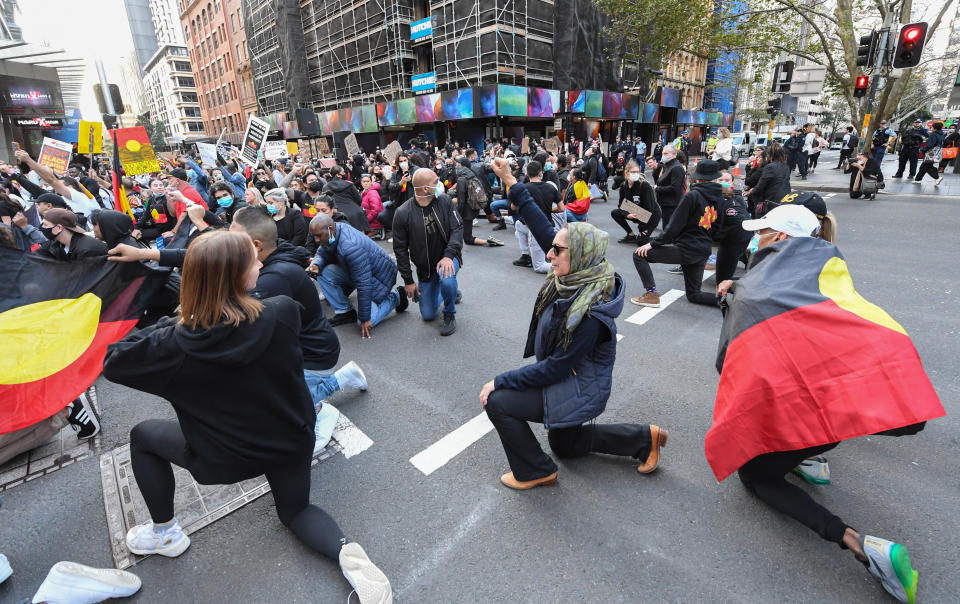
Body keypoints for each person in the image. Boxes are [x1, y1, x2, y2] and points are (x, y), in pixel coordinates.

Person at [102, 230, 391, 604]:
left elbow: (114, 360)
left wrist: (176, 322)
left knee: (143, 436)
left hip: (223, 457)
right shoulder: (282, 311)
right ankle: (345, 551)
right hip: (291, 440)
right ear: (237, 277)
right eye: (251, 260)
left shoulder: (170, 345)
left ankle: (165, 533)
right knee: (297, 511)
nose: (260, 263)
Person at [710, 203, 943, 604]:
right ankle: (809, 461)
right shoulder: (824, 275)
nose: (755, 239)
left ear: (779, 238)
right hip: (834, 416)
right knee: (798, 430)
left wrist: (731, 302)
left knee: (756, 478)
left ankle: (860, 544)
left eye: (762, 231)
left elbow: (732, 365)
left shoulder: (755, 292)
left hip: (797, 417)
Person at [480, 157, 668, 490]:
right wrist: (510, 179)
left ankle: (536, 470)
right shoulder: (578, 273)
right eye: (551, 249)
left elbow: (554, 369)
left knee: (498, 402)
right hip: (571, 377)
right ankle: (643, 438)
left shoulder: (591, 313)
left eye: (557, 251)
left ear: (578, 255)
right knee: (565, 445)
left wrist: (499, 380)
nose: (549, 255)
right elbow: (540, 224)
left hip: (578, 386)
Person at [631, 159, 722, 308]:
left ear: (697, 178)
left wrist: (652, 244)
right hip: (703, 250)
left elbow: (673, 228)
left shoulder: (693, 196)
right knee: (694, 294)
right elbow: (718, 228)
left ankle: (652, 295)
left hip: (686, 248)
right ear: (715, 178)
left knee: (638, 254)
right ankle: (729, 301)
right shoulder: (721, 198)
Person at [306, 213, 405, 335]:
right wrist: (316, 264)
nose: (316, 240)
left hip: (380, 278)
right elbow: (323, 251)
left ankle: (397, 296)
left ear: (330, 229)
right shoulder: (333, 231)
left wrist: (364, 317)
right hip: (358, 271)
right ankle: (345, 312)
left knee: (367, 321)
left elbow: (364, 283)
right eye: (314, 236)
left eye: (318, 236)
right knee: (323, 272)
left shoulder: (350, 246)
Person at [392, 168, 464, 336]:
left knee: (446, 278)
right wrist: (408, 281)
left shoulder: (444, 201)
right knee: (428, 315)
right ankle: (450, 293)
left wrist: (448, 256)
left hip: (447, 257)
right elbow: (400, 250)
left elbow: (457, 228)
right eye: (435, 182)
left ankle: (449, 313)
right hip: (425, 269)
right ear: (424, 188)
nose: (439, 184)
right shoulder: (402, 213)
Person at [513, 160, 561, 273]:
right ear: (540, 173)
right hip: (548, 225)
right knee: (519, 224)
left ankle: (567, 266)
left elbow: (513, 207)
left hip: (537, 229)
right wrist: (548, 209)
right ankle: (525, 255)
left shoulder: (524, 188)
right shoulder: (551, 187)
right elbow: (561, 208)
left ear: (527, 173)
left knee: (539, 267)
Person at [609, 159, 659, 245]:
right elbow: (621, 204)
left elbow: (649, 209)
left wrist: (642, 228)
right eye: (633, 172)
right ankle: (630, 235)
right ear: (626, 173)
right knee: (615, 213)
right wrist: (627, 214)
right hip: (636, 211)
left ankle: (661, 238)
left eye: (637, 172)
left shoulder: (644, 185)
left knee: (641, 241)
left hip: (651, 215)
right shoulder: (623, 185)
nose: (635, 174)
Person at [36, 208, 108, 261]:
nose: (42, 228)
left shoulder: (87, 251)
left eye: (45, 225)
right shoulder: (57, 244)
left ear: (59, 228)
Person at [744, 143, 790, 214]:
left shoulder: (769, 167)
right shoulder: (786, 166)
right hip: (784, 197)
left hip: (771, 200)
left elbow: (761, 184)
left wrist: (750, 192)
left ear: (770, 155)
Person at [648, 144, 685, 229]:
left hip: (671, 203)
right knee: (666, 224)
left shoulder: (677, 168)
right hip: (664, 201)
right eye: (662, 153)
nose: (663, 155)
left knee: (668, 226)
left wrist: (657, 188)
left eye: (665, 153)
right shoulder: (667, 165)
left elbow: (674, 188)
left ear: (673, 154)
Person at [323, 165, 370, 232]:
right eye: (343, 172)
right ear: (338, 175)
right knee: (360, 238)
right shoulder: (349, 184)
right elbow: (359, 200)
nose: (345, 173)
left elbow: (325, 202)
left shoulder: (325, 187)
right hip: (355, 213)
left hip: (336, 215)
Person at [360, 174, 385, 238]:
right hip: (369, 221)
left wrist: (366, 221)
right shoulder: (365, 192)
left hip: (374, 223)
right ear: (361, 183)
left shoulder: (372, 193)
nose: (365, 183)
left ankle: (377, 231)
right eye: (364, 181)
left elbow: (375, 211)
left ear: (371, 182)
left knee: (361, 238)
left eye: (367, 181)